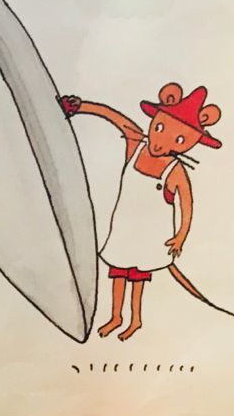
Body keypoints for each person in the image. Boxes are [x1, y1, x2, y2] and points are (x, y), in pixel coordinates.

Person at [59, 83, 221, 341]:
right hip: (123, 229)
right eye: (159, 128)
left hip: (151, 236)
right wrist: (80, 107)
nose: (161, 141)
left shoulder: (175, 170)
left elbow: (186, 204)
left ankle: (135, 320)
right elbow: (115, 118)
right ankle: (116, 317)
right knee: (118, 272)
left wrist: (180, 236)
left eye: (179, 140)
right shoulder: (136, 145)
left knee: (137, 279)